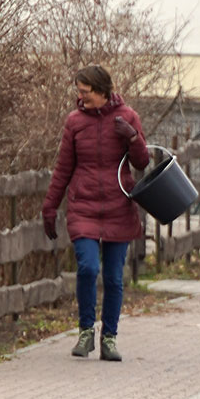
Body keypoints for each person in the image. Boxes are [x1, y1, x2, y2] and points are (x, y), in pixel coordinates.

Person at [42, 65, 149, 362]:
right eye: (78, 91)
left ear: (103, 91)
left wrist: (132, 138)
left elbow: (142, 162)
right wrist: (50, 206)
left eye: (85, 92)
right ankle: (86, 331)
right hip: (83, 207)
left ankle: (110, 338)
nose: (80, 97)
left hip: (119, 206)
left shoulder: (128, 117)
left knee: (114, 278)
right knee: (88, 268)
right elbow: (63, 168)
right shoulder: (74, 122)